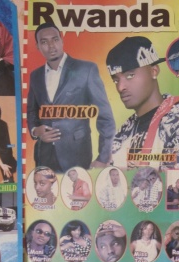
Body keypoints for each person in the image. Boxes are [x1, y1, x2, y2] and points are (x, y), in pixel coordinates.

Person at [106, 36, 179, 169]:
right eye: (116, 80)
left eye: (130, 75)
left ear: (154, 71)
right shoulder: (124, 130)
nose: (120, 87)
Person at [27, 22, 115, 172]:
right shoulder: (35, 75)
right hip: (44, 155)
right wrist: (36, 131)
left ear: (62, 40)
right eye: (44, 42)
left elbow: (105, 116)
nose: (51, 45)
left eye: (55, 39)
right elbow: (32, 111)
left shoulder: (86, 70)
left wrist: (103, 157)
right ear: (38, 47)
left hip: (77, 154)